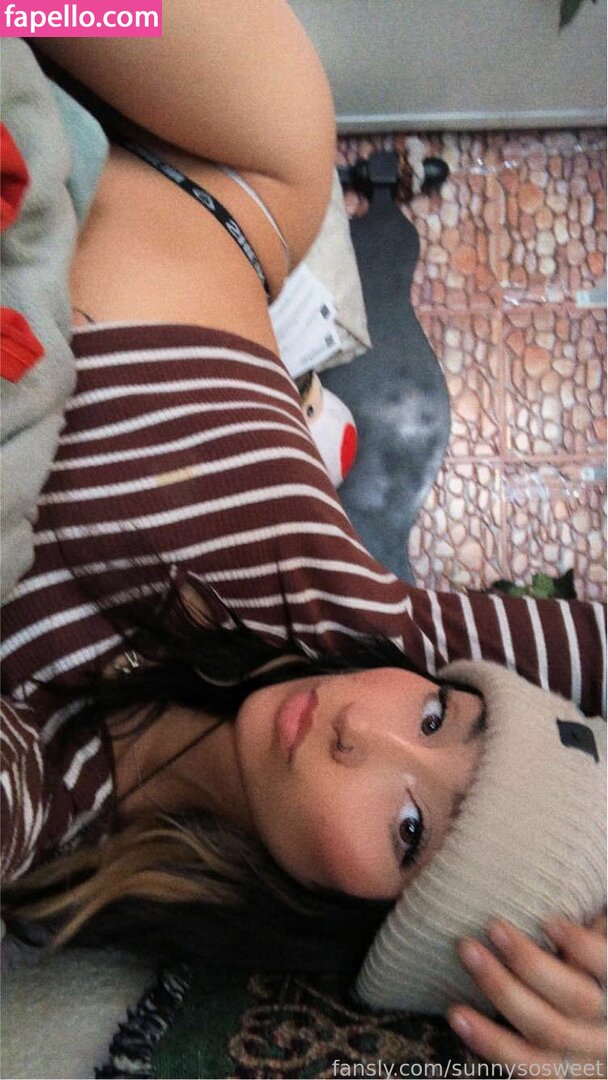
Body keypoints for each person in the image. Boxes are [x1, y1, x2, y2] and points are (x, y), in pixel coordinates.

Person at [0, 4, 605, 1074]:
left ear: (357, 926)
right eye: (438, 712)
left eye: (408, 831)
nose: (362, 729)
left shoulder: (59, 814)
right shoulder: (367, 629)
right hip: (237, 188)